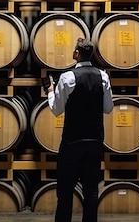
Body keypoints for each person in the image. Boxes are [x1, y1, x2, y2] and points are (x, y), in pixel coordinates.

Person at [45, 38, 114, 222]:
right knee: (91, 191)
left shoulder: (67, 77)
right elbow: (108, 108)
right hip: (94, 141)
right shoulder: (103, 76)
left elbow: (56, 110)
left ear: (76, 53)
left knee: (65, 191)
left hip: (72, 142)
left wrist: (51, 92)